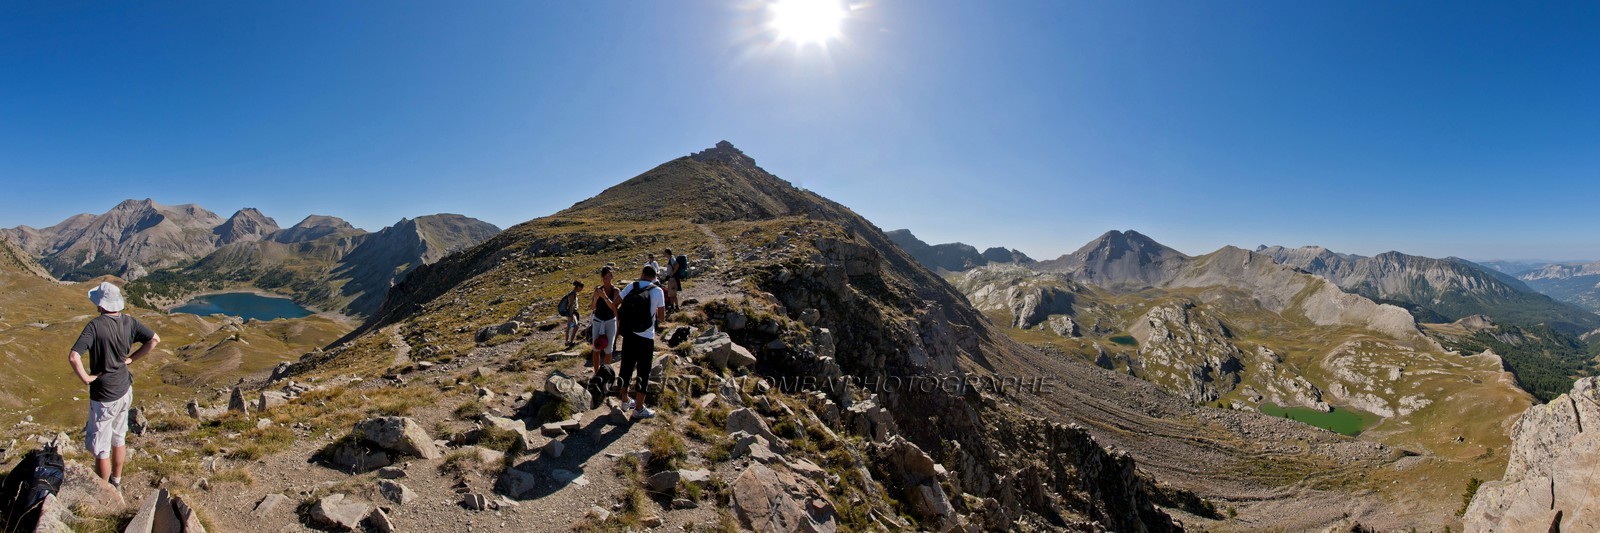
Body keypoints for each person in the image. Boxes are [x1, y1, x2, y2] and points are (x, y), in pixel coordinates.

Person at [68, 281, 158, 489]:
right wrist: (131, 359)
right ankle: (116, 481)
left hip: (104, 396)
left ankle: (105, 492)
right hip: (125, 389)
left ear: (101, 304)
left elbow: (74, 356)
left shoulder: (95, 326)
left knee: (102, 449)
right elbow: (154, 339)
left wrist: (86, 378)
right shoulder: (129, 321)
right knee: (119, 438)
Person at [616, 266, 666, 420]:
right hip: (646, 337)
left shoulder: (632, 286)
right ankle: (638, 409)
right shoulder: (658, 291)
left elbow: (615, 303)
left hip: (629, 334)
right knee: (643, 371)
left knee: (626, 367)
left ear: (642, 274)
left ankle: (625, 401)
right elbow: (662, 317)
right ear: (654, 277)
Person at [590, 266, 620, 377]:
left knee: (608, 349)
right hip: (598, 320)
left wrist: (605, 297)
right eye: (604, 277)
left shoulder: (615, 290)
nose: (606, 279)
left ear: (612, 277)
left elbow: (614, 307)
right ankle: (596, 373)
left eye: (608, 276)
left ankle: (605, 374)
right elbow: (592, 307)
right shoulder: (598, 290)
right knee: (596, 348)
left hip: (610, 321)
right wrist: (596, 298)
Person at [560, 280, 583, 347]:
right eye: (581, 288)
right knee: (576, 326)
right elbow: (571, 306)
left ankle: (567, 341)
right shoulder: (572, 294)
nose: (581, 289)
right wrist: (571, 315)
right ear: (578, 287)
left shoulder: (572, 293)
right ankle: (571, 342)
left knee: (569, 327)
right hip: (572, 312)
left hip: (571, 312)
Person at [659, 248, 678, 313]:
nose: (664, 255)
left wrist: (672, 274)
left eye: (665, 254)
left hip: (672, 279)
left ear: (667, 253)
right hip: (672, 279)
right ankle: (673, 307)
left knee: (672, 294)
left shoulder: (672, 259)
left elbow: (676, 265)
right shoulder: (671, 259)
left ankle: (675, 307)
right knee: (672, 294)